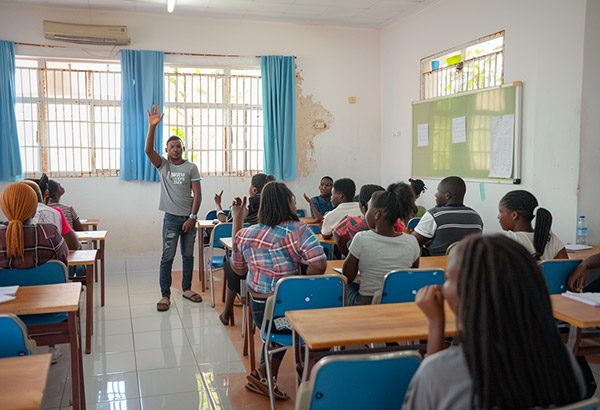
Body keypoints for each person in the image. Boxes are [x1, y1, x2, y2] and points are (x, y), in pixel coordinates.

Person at [403, 235, 586, 410]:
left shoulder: (441, 372)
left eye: (448, 278)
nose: (443, 286)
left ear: (468, 293)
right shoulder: (563, 360)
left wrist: (435, 325)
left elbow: (435, 382)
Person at [229, 181, 327, 399]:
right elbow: (319, 265)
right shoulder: (299, 229)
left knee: (281, 323)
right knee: (303, 316)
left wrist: (237, 219)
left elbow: (238, 269)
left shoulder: (247, 233)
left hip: (260, 312)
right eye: (293, 201)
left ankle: (265, 373)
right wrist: (300, 283)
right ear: (288, 205)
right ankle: (309, 376)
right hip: (290, 313)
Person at [145, 104, 203, 312]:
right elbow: (148, 150)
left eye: (179, 146)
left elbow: (198, 194)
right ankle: (165, 295)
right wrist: (152, 127)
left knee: (188, 256)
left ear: (182, 149)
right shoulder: (163, 166)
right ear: (167, 151)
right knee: (167, 257)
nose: (176, 149)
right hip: (171, 219)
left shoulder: (191, 167)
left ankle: (186, 289)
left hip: (189, 219)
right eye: (172, 147)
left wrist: (192, 218)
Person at [342, 182, 420, 305]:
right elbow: (410, 276)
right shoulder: (412, 241)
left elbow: (347, 276)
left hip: (367, 303)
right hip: (398, 301)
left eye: (368, 208)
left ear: (377, 214)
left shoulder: (361, 238)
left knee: (345, 288)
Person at [215, 173, 275, 326]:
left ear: (254, 190)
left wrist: (218, 206)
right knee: (241, 263)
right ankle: (238, 301)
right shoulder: (285, 220)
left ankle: (230, 308)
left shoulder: (245, 212)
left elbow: (223, 221)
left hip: (252, 274)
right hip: (275, 277)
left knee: (233, 262)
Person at [0, 182, 68, 269]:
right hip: (46, 282)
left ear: (5, 207)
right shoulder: (50, 234)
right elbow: (63, 262)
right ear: (34, 206)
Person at [412, 176, 483, 256]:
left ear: (447, 196)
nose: (435, 195)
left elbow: (413, 242)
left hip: (437, 265)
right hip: (466, 265)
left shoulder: (434, 215)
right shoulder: (476, 217)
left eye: (438, 191)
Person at [498, 190, 567, 260]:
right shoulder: (550, 237)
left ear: (514, 215)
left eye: (500, 212)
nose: (498, 216)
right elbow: (565, 265)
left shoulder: (509, 239)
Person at [21, 178, 80, 251]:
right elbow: (73, 245)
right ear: (46, 193)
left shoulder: (13, 218)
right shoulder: (55, 213)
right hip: (53, 259)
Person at [333, 184, 384, 256]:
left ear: (361, 206)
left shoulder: (351, 222)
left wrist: (347, 254)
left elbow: (336, 233)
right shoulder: (394, 223)